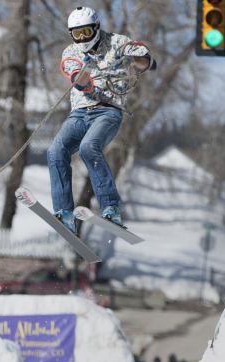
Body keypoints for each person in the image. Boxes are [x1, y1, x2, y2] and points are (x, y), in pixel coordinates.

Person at [47, 6, 154, 235]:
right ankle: (64, 211)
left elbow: (138, 53)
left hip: (108, 111)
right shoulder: (71, 51)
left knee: (88, 147)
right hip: (79, 113)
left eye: (86, 32)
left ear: (96, 28)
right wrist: (81, 79)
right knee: (56, 150)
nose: (83, 38)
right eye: (78, 34)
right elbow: (72, 69)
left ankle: (110, 206)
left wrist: (142, 58)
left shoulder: (117, 42)